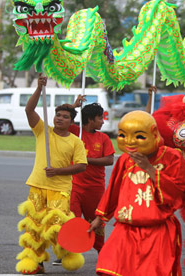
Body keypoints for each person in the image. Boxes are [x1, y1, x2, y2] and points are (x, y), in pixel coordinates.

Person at [88, 110, 185, 276]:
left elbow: (176, 191)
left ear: (154, 134)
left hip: (157, 229)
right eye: (123, 135)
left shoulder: (172, 157)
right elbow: (113, 189)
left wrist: (149, 168)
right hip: (126, 228)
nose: (130, 142)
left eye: (139, 136)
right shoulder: (125, 159)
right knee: (110, 266)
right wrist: (100, 218)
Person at [16, 76, 87, 275]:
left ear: (71, 121)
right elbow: (29, 110)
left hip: (60, 190)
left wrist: (58, 171)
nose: (59, 118)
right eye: (58, 115)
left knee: (58, 227)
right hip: (37, 186)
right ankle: (34, 263)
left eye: (65, 116)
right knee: (34, 228)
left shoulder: (75, 141)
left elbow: (82, 166)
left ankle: (69, 255)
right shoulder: (42, 131)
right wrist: (39, 88)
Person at [61, 96, 114, 258]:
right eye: (100, 118)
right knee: (71, 220)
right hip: (75, 186)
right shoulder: (75, 132)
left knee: (96, 222)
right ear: (90, 119)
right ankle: (67, 250)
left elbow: (109, 160)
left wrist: (85, 160)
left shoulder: (103, 138)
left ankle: (101, 251)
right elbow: (62, 116)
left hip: (95, 189)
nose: (103, 122)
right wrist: (74, 106)